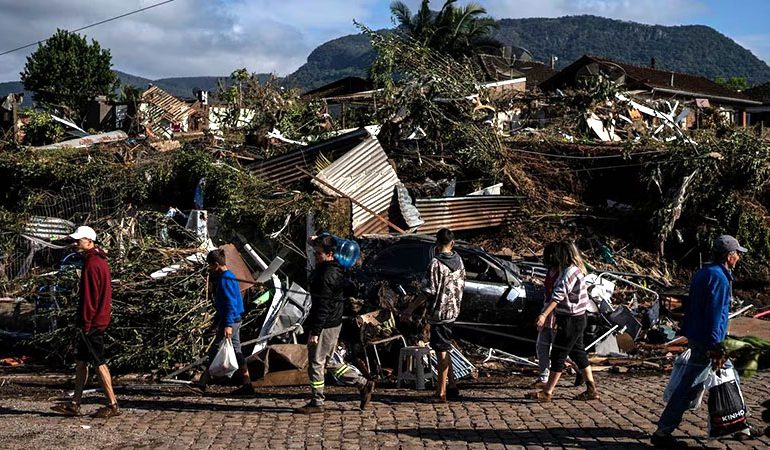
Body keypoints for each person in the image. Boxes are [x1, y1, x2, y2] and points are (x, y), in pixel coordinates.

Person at [651, 235, 757, 447]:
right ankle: (663, 432)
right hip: (709, 341)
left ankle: (740, 426)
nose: (738, 258)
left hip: (699, 336)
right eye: (737, 254)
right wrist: (717, 347)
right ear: (729, 256)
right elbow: (716, 314)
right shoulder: (719, 277)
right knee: (690, 385)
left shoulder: (704, 273)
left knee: (730, 377)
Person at [295, 234, 375, 414]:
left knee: (316, 362)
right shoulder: (336, 267)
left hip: (325, 324)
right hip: (333, 322)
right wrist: (314, 241)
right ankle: (362, 383)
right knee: (328, 361)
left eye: (318, 254)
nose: (316, 257)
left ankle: (317, 401)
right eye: (315, 253)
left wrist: (315, 332)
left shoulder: (327, 276)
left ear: (330, 253)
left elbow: (322, 306)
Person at [51, 226, 121, 418]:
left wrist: (86, 324)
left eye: (78, 240)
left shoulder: (92, 264)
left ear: (89, 241)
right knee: (81, 362)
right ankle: (75, 403)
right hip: (96, 319)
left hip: (92, 322)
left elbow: (91, 298)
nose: (75, 243)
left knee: (99, 362)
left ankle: (112, 403)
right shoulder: (99, 261)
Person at [528, 240, 599, 402]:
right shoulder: (574, 270)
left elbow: (558, 296)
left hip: (571, 320)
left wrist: (544, 315)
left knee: (558, 354)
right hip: (578, 318)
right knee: (578, 352)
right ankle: (591, 388)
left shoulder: (569, 272)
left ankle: (548, 392)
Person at [189, 249, 253, 396]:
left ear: (216, 265)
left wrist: (228, 325)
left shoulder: (226, 279)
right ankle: (247, 384)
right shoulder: (229, 277)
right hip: (232, 319)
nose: (211, 269)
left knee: (215, 349)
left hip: (231, 321)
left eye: (211, 266)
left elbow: (230, 303)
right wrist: (216, 323)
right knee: (237, 352)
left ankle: (202, 384)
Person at [425, 228, 466, 403]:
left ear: (436, 243)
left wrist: (410, 308)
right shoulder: (460, 261)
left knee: (441, 351)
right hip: (454, 310)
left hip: (440, 312)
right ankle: (452, 383)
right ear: (452, 243)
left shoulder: (435, 264)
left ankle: (440, 392)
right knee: (446, 347)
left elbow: (429, 290)